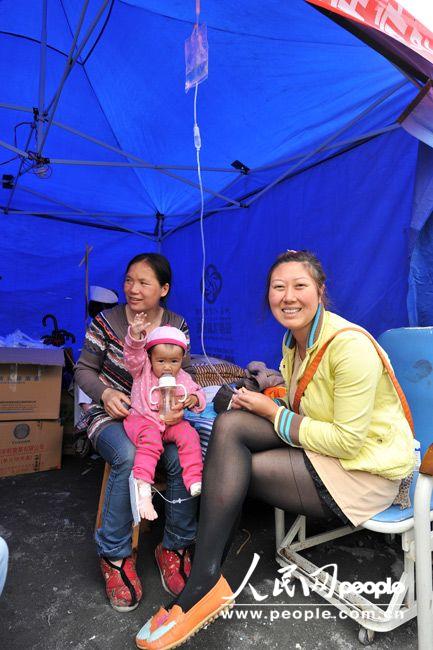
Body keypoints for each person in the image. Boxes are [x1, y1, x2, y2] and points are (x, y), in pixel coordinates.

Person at [135, 250, 415, 650]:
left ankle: (202, 583)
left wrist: (272, 412)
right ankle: (207, 577)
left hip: (365, 471)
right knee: (230, 425)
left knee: (237, 465)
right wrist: (262, 402)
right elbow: (309, 410)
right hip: (327, 451)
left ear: (320, 291)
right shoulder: (294, 342)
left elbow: (349, 440)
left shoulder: (348, 346)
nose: (288, 296)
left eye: (300, 286)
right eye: (278, 287)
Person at [75, 253, 199, 611]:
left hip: (158, 417)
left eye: (144, 282)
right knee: (128, 456)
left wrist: (179, 404)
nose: (132, 288)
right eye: (129, 280)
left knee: (181, 455)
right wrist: (106, 393)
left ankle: (174, 546)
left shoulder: (176, 324)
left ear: (164, 289)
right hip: (109, 412)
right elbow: (84, 370)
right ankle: (114, 555)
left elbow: (183, 373)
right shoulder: (106, 322)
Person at [124, 319, 206, 520]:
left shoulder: (183, 377)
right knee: (151, 439)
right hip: (141, 421)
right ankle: (142, 487)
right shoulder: (141, 370)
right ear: (149, 357)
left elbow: (198, 393)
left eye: (174, 361)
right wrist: (135, 338)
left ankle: (194, 478)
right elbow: (132, 356)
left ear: (182, 359)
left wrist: (192, 399)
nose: (168, 367)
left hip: (169, 424)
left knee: (189, 434)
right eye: (161, 361)